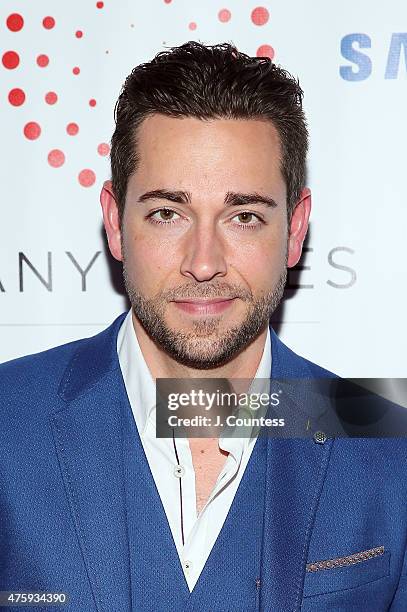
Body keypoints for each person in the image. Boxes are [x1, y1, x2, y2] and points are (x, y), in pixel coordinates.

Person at [0, 41, 406, 612]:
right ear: (115, 223)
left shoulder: (388, 443)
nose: (205, 260)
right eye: (168, 213)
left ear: (294, 231)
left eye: (244, 216)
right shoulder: (8, 420)